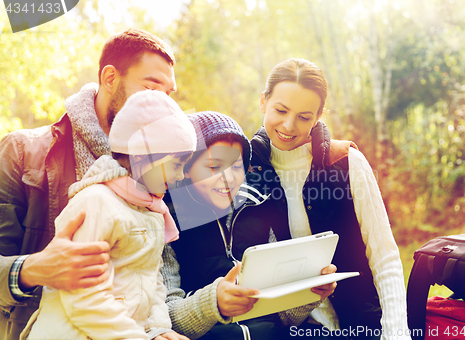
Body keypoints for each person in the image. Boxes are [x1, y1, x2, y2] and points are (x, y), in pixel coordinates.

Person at [0, 28, 177, 340]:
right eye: (151, 89)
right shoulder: (20, 152)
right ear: (109, 79)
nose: (161, 105)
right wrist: (31, 269)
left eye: (168, 96)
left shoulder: (160, 172)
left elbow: (155, 277)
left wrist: (162, 329)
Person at [240, 58, 411, 339]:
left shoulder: (346, 161)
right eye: (280, 110)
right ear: (263, 101)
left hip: (362, 324)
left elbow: (385, 257)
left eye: (304, 117)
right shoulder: (242, 171)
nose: (288, 125)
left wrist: (395, 332)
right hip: (288, 331)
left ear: (318, 117)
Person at [21, 90, 195, 340]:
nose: (181, 176)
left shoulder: (151, 211)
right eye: (177, 165)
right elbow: (84, 297)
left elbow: (152, 281)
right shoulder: (96, 203)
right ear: (143, 156)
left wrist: (158, 330)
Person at [161, 111, 337, 340]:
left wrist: (308, 295)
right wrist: (213, 303)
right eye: (214, 167)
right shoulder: (165, 221)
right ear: (186, 168)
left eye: (236, 167)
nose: (228, 178)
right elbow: (164, 316)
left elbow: (281, 317)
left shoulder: (258, 208)